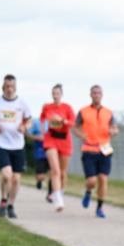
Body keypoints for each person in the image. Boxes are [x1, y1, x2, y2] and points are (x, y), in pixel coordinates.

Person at [0, 74, 33, 218]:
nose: (9, 89)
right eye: (7, 86)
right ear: (3, 87)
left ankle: (11, 205)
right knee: (7, 175)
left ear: (15, 87)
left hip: (18, 145)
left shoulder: (22, 103)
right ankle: (3, 200)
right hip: (2, 143)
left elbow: (29, 120)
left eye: (12, 86)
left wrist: (25, 128)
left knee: (16, 179)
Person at [73, 85, 118, 219]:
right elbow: (75, 127)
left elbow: (115, 128)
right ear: (90, 95)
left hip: (105, 150)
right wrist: (81, 135)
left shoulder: (108, 112)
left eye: (99, 93)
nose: (97, 95)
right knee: (92, 181)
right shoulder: (83, 111)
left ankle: (99, 208)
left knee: (103, 179)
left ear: (102, 95)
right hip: (89, 149)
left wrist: (113, 131)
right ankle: (88, 191)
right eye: (94, 93)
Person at [41, 84, 75, 212]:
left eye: (58, 93)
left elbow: (73, 122)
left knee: (62, 172)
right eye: (53, 93)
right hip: (51, 139)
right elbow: (42, 120)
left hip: (65, 140)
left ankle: (60, 191)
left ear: (61, 94)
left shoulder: (67, 107)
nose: (55, 95)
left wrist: (62, 121)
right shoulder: (47, 107)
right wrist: (43, 129)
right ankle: (58, 199)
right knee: (55, 170)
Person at [28, 116, 50, 192]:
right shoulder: (36, 121)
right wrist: (37, 137)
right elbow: (29, 134)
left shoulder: (54, 121)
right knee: (41, 176)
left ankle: (51, 192)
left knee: (53, 172)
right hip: (40, 150)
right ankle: (39, 180)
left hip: (51, 149)